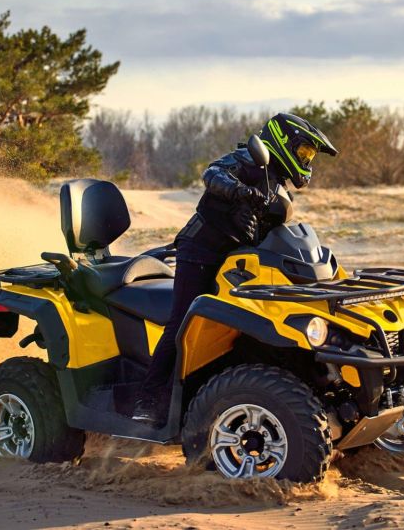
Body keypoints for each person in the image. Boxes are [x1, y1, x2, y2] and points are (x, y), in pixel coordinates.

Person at [132, 112, 338, 425]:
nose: (307, 160)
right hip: (200, 252)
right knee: (183, 322)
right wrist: (238, 191)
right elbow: (212, 174)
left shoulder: (277, 184)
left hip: (235, 261)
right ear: (283, 142)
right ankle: (148, 400)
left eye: (309, 156)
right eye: (304, 152)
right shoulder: (248, 160)